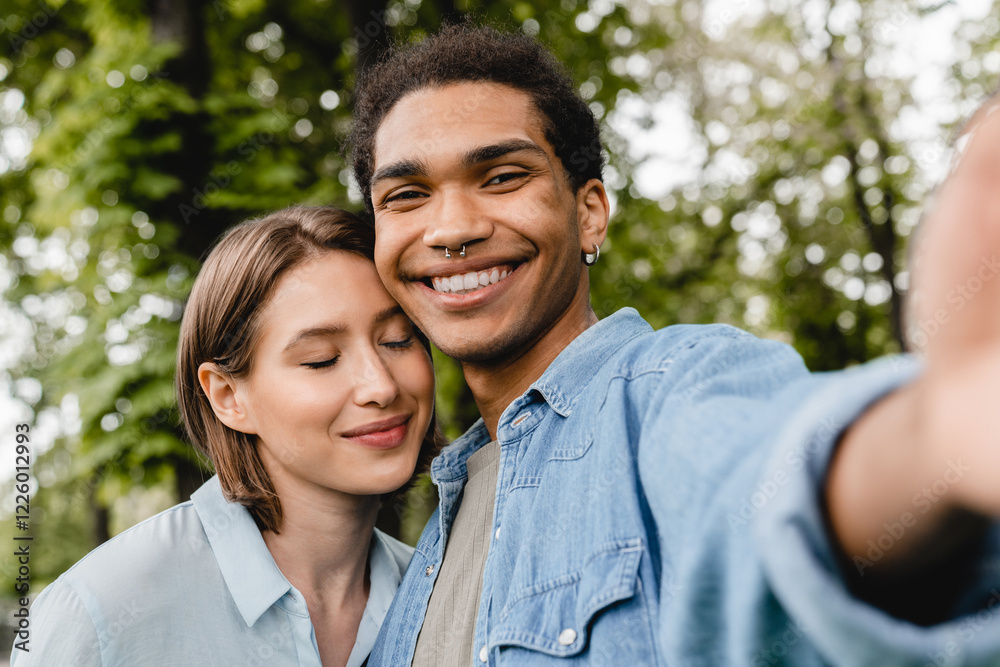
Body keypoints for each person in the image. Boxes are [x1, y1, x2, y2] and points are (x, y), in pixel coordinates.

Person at [350, 24, 1000, 665]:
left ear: (590, 212)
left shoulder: (674, 387)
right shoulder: (425, 537)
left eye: (501, 177)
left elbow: (766, 473)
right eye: (407, 195)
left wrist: (939, 433)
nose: (453, 228)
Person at [13, 206, 440, 667]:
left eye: (398, 340)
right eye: (320, 359)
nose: (381, 386)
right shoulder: (100, 611)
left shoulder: (442, 592)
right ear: (228, 396)